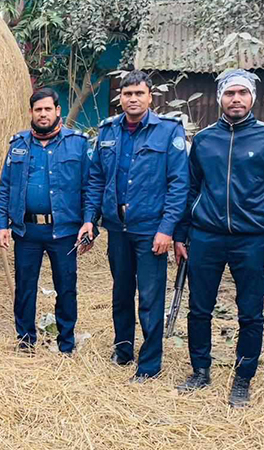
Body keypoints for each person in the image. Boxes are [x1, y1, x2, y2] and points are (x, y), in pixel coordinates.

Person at [78, 70, 189, 382]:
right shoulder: (109, 131)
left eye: (139, 94)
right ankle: (123, 350)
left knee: (151, 298)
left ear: (150, 96)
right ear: (121, 98)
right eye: (127, 94)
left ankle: (149, 364)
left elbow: (179, 183)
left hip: (151, 230)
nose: (133, 99)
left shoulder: (167, 132)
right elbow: (96, 178)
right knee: (121, 293)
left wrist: (167, 229)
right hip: (118, 229)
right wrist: (90, 218)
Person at [173, 69, 264, 407]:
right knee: (199, 309)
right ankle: (200, 370)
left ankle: (243, 377)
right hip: (206, 237)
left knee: (251, 313)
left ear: (252, 97)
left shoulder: (262, 138)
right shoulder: (205, 140)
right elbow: (190, 188)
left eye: (242, 93)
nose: (236, 99)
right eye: (230, 93)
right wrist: (182, 233)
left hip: (253, 239)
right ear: (221, 98)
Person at [0, 88, 92, 355]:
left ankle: (66, 343)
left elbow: (90, 186)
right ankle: (25, 341)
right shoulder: (18, 144)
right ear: (31, 113)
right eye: (38, 110)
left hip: (63, 230)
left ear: (57, 110)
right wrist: (2, 224)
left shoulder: (77, 143)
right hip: (27, 230)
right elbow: (5, 187)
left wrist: (89, 221)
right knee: (25, 288)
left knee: (66, 287)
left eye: (48, 109)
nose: (43, 114)